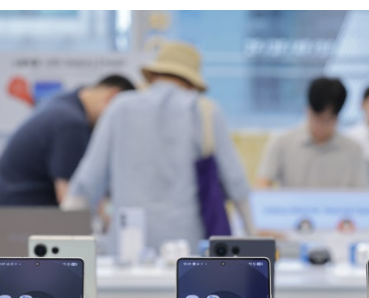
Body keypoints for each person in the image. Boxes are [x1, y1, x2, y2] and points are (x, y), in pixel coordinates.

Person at [63, 41, 253, 253]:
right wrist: (253, 236)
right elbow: (236, 183)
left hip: (127, 248)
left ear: (153, 75)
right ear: (192, 84)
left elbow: (87, 183)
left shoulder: (120, 108)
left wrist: (64, 247)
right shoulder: (206, 111)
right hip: (186, 249)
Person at [0, 75, 135, 254]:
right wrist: (108, 225)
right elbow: (71, 199)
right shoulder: (71, 123)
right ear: (111, 97)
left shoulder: (62, 105)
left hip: (2, 234)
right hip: (7, 240)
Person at [256, 77, 368, 188]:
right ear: (308, 110)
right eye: (317, 118)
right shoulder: (282, 143)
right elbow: (263, 183)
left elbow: (362, 193)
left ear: (337, 118)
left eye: (328, 120)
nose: (321, 126)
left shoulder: (353, 150)